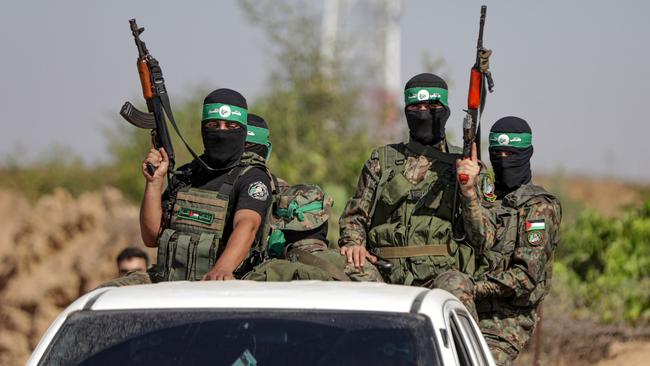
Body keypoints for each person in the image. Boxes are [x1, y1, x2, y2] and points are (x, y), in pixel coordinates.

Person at [436, 116, 562, 365]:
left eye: (511, 153)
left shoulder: (539, 207)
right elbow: (479, 237)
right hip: (463, 306)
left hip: (506, 321)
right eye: (498, 154)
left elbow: (524, 278)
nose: (504, 161)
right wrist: (468, 188)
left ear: (527, 153)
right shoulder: (488, 194)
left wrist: (473, 287)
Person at [337, 73, 478, 285]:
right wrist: (354, 243)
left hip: (442, 276)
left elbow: (483, 237)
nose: (423, 113)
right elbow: (355, 215)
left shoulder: (464, 164)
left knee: (457, 287)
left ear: (445, 111)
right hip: (383, 272)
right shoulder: (382, 160)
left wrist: (469, 192)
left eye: (431, 107)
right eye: (416, 107)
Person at [139, 88, 273, 282]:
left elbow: (247, 225)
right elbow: (152, 237)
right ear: (203, 128)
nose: (221, 133)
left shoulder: (252, 178)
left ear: (243, 132)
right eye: (214, 124)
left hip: (217, 285)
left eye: (231, 126)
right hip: (170, 282)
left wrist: (222, 270)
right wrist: (154, 182)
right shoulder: (186, 175)